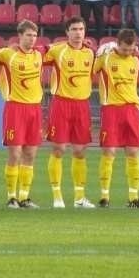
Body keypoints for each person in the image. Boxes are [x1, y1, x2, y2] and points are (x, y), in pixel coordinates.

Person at [94, 29, 139, 208]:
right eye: (124, 49)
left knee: (133, 152)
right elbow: (92, 70)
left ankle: (133, 197)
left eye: (131, 49)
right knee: (109, 152)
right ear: (117, 44)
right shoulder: (106, 57)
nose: (128, 52)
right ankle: (104, 196)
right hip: (111, 109)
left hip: (131, 109)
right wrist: (99, 53)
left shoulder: (137, 59)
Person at [0, 20, 43, 209]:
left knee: (30, 154)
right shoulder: (8, 53)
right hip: (15, 108)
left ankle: (24, 197)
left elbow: (60, 47)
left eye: (34, 35)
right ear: (19, 36)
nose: (32, 39)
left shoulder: (39, 54)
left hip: (34, 109)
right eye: (28, 35)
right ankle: (11, 197)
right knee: (15, 153)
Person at [44, 17, 96, 208]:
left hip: (82, 105)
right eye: (74, 29)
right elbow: (35, 56)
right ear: (67, 32)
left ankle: (79, 198)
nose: (77, 33)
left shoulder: (91, 52)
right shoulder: (58, 50)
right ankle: (57, 196)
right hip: (62, 103)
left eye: (81, 29)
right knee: (59, 149)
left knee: (80, 151)